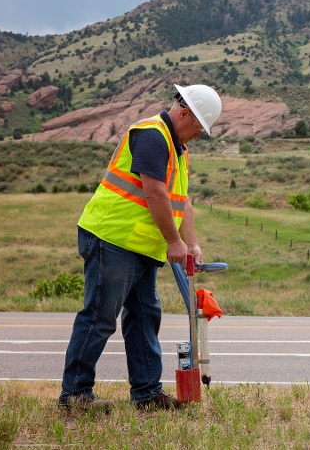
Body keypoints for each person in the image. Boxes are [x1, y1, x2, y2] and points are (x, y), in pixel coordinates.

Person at [59, 84, 222, 412]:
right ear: (184, 112)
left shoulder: (179, 149)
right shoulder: (152, 135)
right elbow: (154, 194)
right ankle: (75, 395)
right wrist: (174, 242)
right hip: (113, 237)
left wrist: (192, 244)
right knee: (101, 315)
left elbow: (182, 202)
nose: (199, 136)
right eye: (199, 128)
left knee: (145, 315)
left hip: (142, 246)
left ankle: (147, 394)